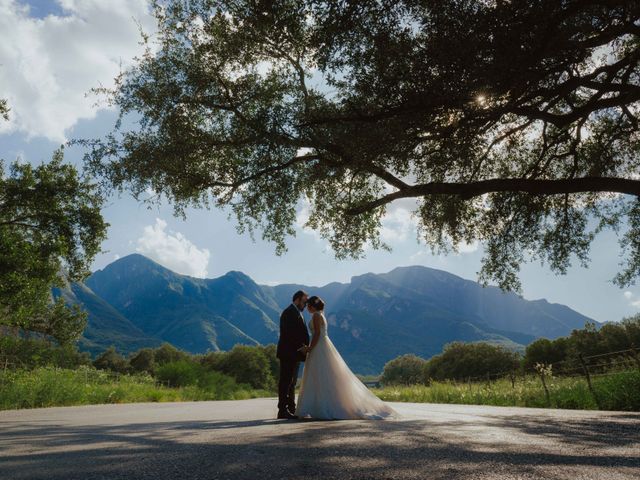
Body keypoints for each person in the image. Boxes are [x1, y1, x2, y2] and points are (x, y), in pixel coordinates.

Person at [295, 295, 398, 420]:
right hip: (324, 346)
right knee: (326, 376)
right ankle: (326, 405)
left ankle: (322, 407)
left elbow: (316, 334)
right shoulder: (321, 314)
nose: (306, 308)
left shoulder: (316, 315)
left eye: (308, 306)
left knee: (319, 376)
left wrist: (309, 348)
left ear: (312, 306)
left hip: (319, 347)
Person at [276, 290, 310, 419]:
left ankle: (291, 407)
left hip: (294, 353)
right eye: (304, 301)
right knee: (285, 381)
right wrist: (301, 347)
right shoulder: (289, 312)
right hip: (288, 353)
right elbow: (289, 334)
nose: (306, 304)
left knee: (292, 382)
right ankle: (282, 410)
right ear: (297, 299)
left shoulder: (297, 312)